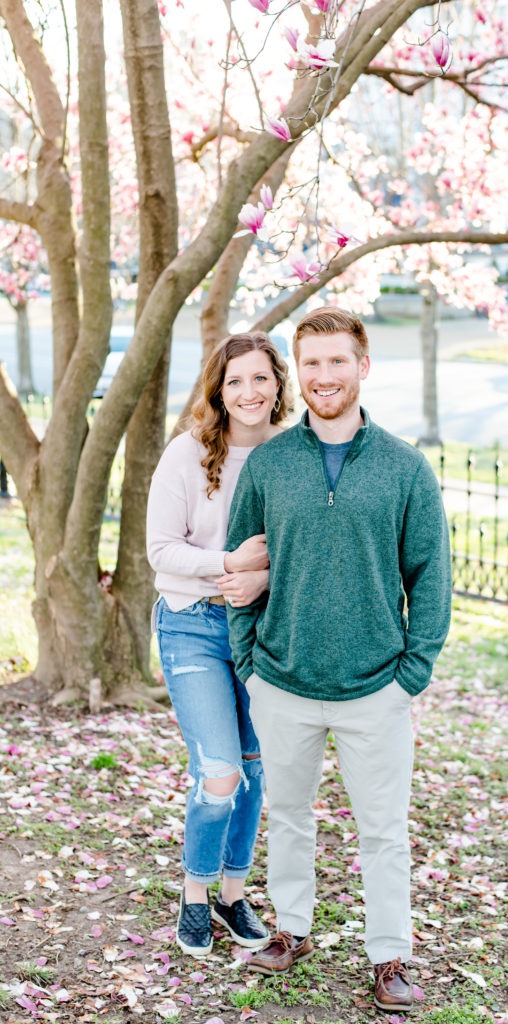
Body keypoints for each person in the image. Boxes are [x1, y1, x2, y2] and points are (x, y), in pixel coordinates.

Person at [224, 307, 452, 1011]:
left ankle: (390, 957)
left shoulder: (404, 469)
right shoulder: (269, 464)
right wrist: (248, 663)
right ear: (303, 371)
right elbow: (241, 569)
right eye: (313, 363)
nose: (325, 376)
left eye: (338, 361)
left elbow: (432, 578)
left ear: (363, 367)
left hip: (374, 689)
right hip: (282, 680)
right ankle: (292, 929)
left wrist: (409, 676)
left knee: (383, 830)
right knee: (289, 814)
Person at [146, 331, 291, 958]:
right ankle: (195, 894)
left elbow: (301, 548)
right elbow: (160, 550)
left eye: (260, 378)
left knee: (256, 771)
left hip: (260, 628)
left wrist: (259, 577)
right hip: (191, 624)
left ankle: (234, 895)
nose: (249, 391)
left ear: (279, 385)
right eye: (235, 381)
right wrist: (228, 561)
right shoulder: (188, 452)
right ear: (219, 390)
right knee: (221, 773)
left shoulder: (292, 456)